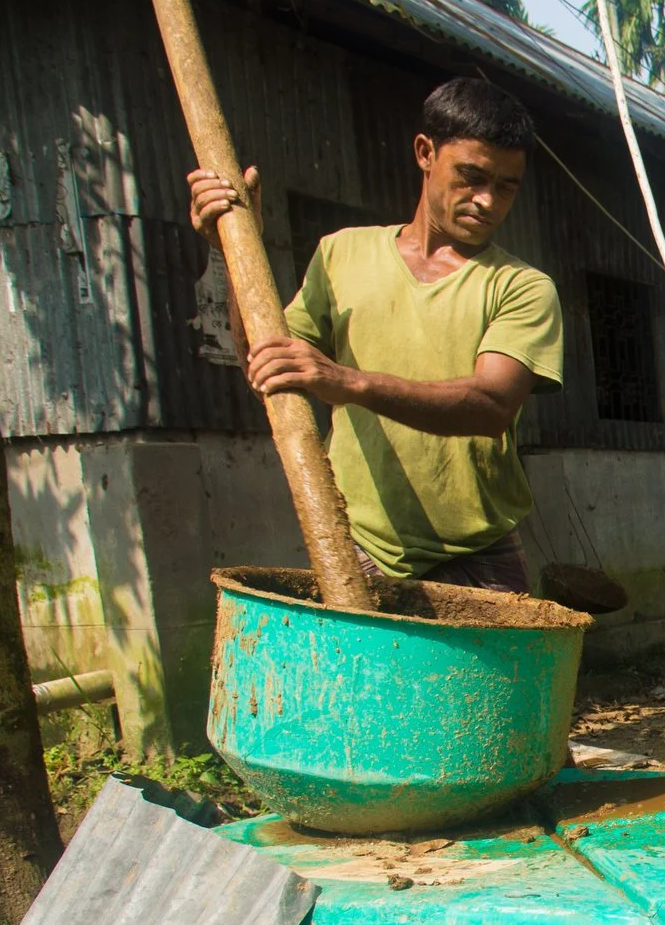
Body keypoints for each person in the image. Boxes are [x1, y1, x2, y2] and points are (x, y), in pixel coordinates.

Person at [189, 77, 564, 593]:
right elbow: (265, 359)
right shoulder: (341, 253)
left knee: (506, 678)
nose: (486, 201)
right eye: (471, 176)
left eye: (506, 186)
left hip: (479, 550)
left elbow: (492, 404)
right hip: (359, 544)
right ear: (425, 152)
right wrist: (234, 250)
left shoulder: (522, 287)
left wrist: (347, 383)